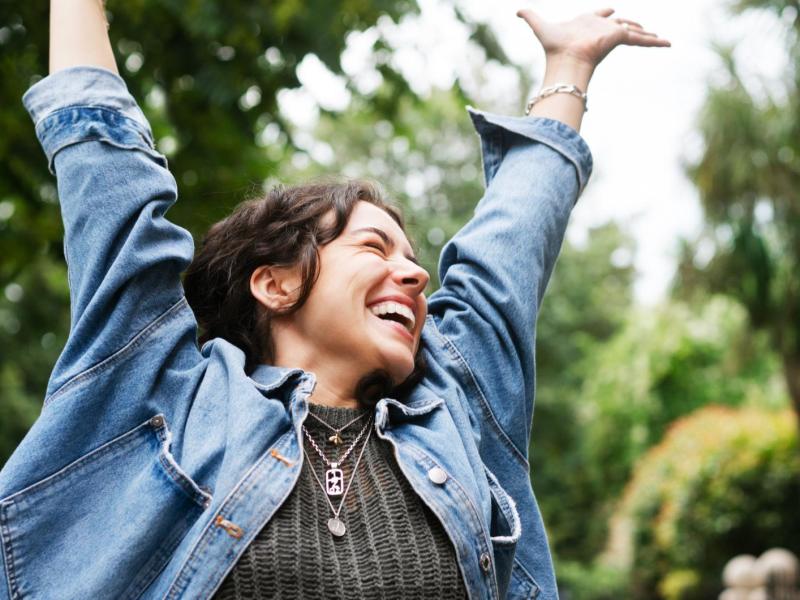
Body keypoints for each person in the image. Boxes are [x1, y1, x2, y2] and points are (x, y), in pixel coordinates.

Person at [0, 1, 670, 599]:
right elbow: (107, 175)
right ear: (275, 283)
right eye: (376, 248)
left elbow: (511, 245)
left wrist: (568, 66)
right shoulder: (173, 400)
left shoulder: (456, 404)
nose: (416, 277)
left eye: (413, 261)